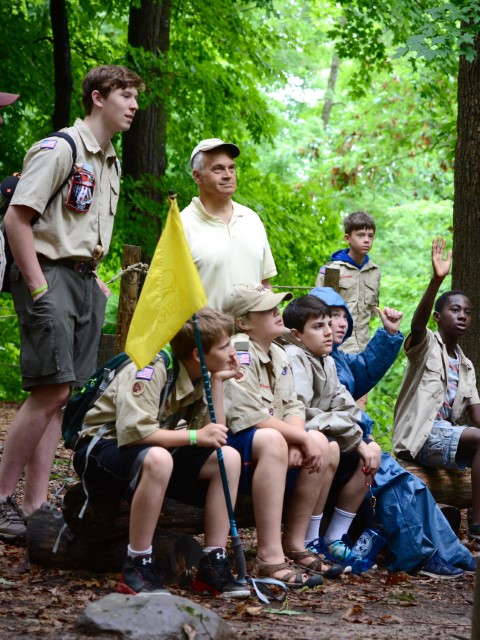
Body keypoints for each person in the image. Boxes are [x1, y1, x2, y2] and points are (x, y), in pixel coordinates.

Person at [0, 65, 143, 542]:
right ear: (98, 97)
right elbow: (17, 221)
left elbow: (81, 229)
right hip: (50, 275)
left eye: (136, 98)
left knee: (62, 396)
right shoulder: (61, 148)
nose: (134, 106)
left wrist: (96, 279)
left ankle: (35, 504)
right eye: (126, 95)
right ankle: (1, 498)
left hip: (83, 279)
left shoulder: (111, 161)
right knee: (48, 390)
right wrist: (39, 287)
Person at [72, 308, 248, 597]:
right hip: (101, 450)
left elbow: (214, 435)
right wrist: (194, 436)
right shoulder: (151, 368)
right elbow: (134, 434)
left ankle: (212, 564)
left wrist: (217, 382)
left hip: (147, 451)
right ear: (196, 354)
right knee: (159, 457)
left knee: (227, 458)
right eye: (225, 345)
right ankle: (137, 564)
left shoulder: (200, 374)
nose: (233, 352)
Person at [309, 286, 474, 577]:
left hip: (352, 444)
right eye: (331, 317)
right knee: (393, 486)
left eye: (342, 316)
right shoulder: (307, 360)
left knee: (414, 485)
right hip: (332, 451)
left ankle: (455, 554)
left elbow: (366, 369)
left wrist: (387, 336)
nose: (340, 323)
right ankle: (418, 557)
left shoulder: (339, 359)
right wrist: (363, 438)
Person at [221, 283, 338, 587]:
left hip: (268, 444)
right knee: (279, 440)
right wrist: (296, 439)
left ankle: (295, 544)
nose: (277, 312)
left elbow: (293, 405)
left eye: (276, 307)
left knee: (324, 443)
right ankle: (269, 557)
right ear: (243, 322)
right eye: (267, 310)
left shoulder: (278, 352)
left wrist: (299, 437)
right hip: (235, 448)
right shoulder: (239, 351)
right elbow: (247, 418)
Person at [393, 237, 480, 551]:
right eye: (455, 310)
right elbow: (416, 323)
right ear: (439, 317)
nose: (463, 315)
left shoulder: (466, 364)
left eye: (467, 311)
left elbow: (477, 412)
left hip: (446, 435)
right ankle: (479, 530)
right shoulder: (425, 345)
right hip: (420, 437)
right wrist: (436, 280)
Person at [281, 295, 382, 565]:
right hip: (298, 442)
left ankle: (335, 538)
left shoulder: (326, 359)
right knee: (333, 448)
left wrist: (365, 438)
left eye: (329, 324)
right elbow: (301, 413)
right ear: (297, 334)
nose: (328, 331)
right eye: (318, 326)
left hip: (324, 436)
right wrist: (355, 438)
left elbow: (345, 404)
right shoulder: (293, 357)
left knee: (373, 452)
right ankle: (308, 538)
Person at [181, 138, 277, 309]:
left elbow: (266, 284)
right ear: (197, 176)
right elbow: (172, 295)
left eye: (231, 168)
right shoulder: (182, 225)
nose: (228, 175)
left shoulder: (252, 219)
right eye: (218, 169)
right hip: (207, 334)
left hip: (254, 335)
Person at [315, 211, 380, 354]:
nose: (366, 240)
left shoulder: (374, 271)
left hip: (364, 348)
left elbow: (372, 310)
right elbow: (318, 313)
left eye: (370, 236)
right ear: (348, 238)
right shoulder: (332, 270)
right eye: (361, 235)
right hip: (337, 349)